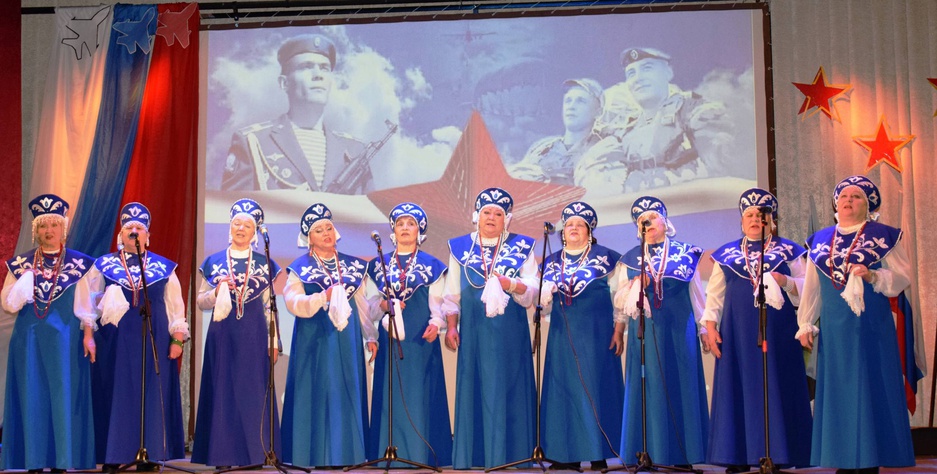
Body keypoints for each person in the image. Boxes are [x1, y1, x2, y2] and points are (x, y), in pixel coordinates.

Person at [797, 175, 914, 474]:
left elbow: (903, 277)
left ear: (868, 205)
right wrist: (806, 322)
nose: (848, 201)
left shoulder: (883, 235)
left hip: (871, 327)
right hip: (835, 331)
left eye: (856, 197)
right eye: (844, 197)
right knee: (840, 392)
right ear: (836, 205)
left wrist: (873, 276)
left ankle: (870, 459)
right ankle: (844, 460)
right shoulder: (820, 239)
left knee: (872, 386)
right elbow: (812, 287)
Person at [701, 189, 811, 472]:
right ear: (741, 220)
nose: (754, 219)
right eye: (749, 214)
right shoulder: (726, 254)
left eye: (761, 215)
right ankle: (737, 456)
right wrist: (710, 327)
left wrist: (785, 281)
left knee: (776, 384)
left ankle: (779, 453)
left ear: (771, 220)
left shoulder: (789, 251)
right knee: (738, 389)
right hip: (737, 332)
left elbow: (808, 288)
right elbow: (714, 296)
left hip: (778, 332)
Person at [79, 202, 189, 472]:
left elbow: (175, 305)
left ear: (147, 235)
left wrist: (177, 339)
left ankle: (148, 454)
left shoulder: (164, 267)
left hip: (153, 339)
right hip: (114, 341)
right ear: (121, 233)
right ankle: (113, 455)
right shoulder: (102, 265)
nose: (135, 231)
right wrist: (89, 335)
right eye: (130, 227)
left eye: (140, 228)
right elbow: (89, 303)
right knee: (115, 393)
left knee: (150, 394)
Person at [442, 187, 538, 469]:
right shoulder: (460, 247)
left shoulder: (522, 246)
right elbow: (452, 293)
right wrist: (451, 327)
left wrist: (512, 284)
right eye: (487, 212)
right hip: (474, 332)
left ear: (506, 219)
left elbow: (534, 287)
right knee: (476, 388)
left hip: (510, 333)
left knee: (510, 388)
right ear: (477, 216)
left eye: (498, 213)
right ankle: (477, 456)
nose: (492, 218)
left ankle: (511, 455)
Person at [1, 194, 96, 472]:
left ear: (63, 227)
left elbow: (87, 305)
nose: (49, 231)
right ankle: (34, 460)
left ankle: (61, 461)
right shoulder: (20, 264)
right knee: (32, 394)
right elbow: (8, 303)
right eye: (43, 225)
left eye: (54, 224)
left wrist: (88, 336)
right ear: (36, 230)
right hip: (28, 341)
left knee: (62, 395)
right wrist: (23, 285)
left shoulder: (79, 264)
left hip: (65, 341)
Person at [281, 203, 378, 468]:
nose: (326, 233)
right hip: (314, 337)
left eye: (328, 228)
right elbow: (292, 302)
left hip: (346, 339)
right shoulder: (300, 267)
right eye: (319, 230)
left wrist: (371, 336)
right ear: (309, 238)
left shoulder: (353, 265)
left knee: (344, 389)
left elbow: (361, 304)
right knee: (316, 390)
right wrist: (320, 297)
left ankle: (346, 454)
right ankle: (313, 454)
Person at [614, 196, 708, 469]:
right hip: (646, 332)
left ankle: (683, 455)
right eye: (642, 220)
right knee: (649, 389)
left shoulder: (686, 253)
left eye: (653, 217)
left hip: (679, 328)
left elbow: (697, 296)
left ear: (665, 222)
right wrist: (633, 289)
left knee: (682, 385)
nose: (648, 222)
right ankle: (649, 452)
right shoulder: (630, 259)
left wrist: (705, 328)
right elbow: (619, 301)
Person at [192, 198, 281, 468]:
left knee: (252, 391)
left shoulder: (265, 263)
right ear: (230, 227)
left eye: (247, 225)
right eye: (236, 224)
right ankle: (223, 455)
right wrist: (217, 291)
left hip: (254, 334)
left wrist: (274, 341)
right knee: (223, 391)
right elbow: (201, 301)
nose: (241, 229)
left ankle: (255, 454)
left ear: (255, 232)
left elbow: (270, 307)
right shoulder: (214, 262)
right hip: (222, 334)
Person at [221, 33, 368, 193]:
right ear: (284, 83)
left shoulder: (355, 150)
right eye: (306, 67)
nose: (318, 75)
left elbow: (371, 208)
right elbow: (234, 206)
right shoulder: (252, 142)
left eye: (324, 68)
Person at [365, 202, 453, 467]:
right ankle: (388, 452)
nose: (405, 228)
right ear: (393, 231)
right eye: (400, 224)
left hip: (420, 337)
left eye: (411, 224)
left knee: (419, 393)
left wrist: (437, 324)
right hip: (389, 338)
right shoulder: (377, 265)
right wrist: (383, 305)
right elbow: (370, 305)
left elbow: (438, 302)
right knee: (389, 392)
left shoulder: (432, 264)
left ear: (419, 231)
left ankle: (419, 453)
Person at [539, 201, 624, 470]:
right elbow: (544, 307)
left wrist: (619, 330)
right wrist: (544, 297)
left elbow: (619, 298)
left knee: (596, 390)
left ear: (590, 231)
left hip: (597, 334)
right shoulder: (551, 261)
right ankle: (566, 456)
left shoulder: (608, 258)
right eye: (569, 225)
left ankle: (599, 454)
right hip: (562, 337)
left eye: (580, 224)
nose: (573, 228)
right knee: (563, 393)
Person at [577, 47, 729, 193]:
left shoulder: (691, 110)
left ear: (668, 73)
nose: (638, 78)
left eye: (647, 68)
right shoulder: (625, 131)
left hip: (684, 204)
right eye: (631, 73)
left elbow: (721, 162)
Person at [510, 79, 618, 186]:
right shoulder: (541, 148)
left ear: (598, 112)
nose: (571, 106)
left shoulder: (605, 150)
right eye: (568, 101)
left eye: (581, 101)